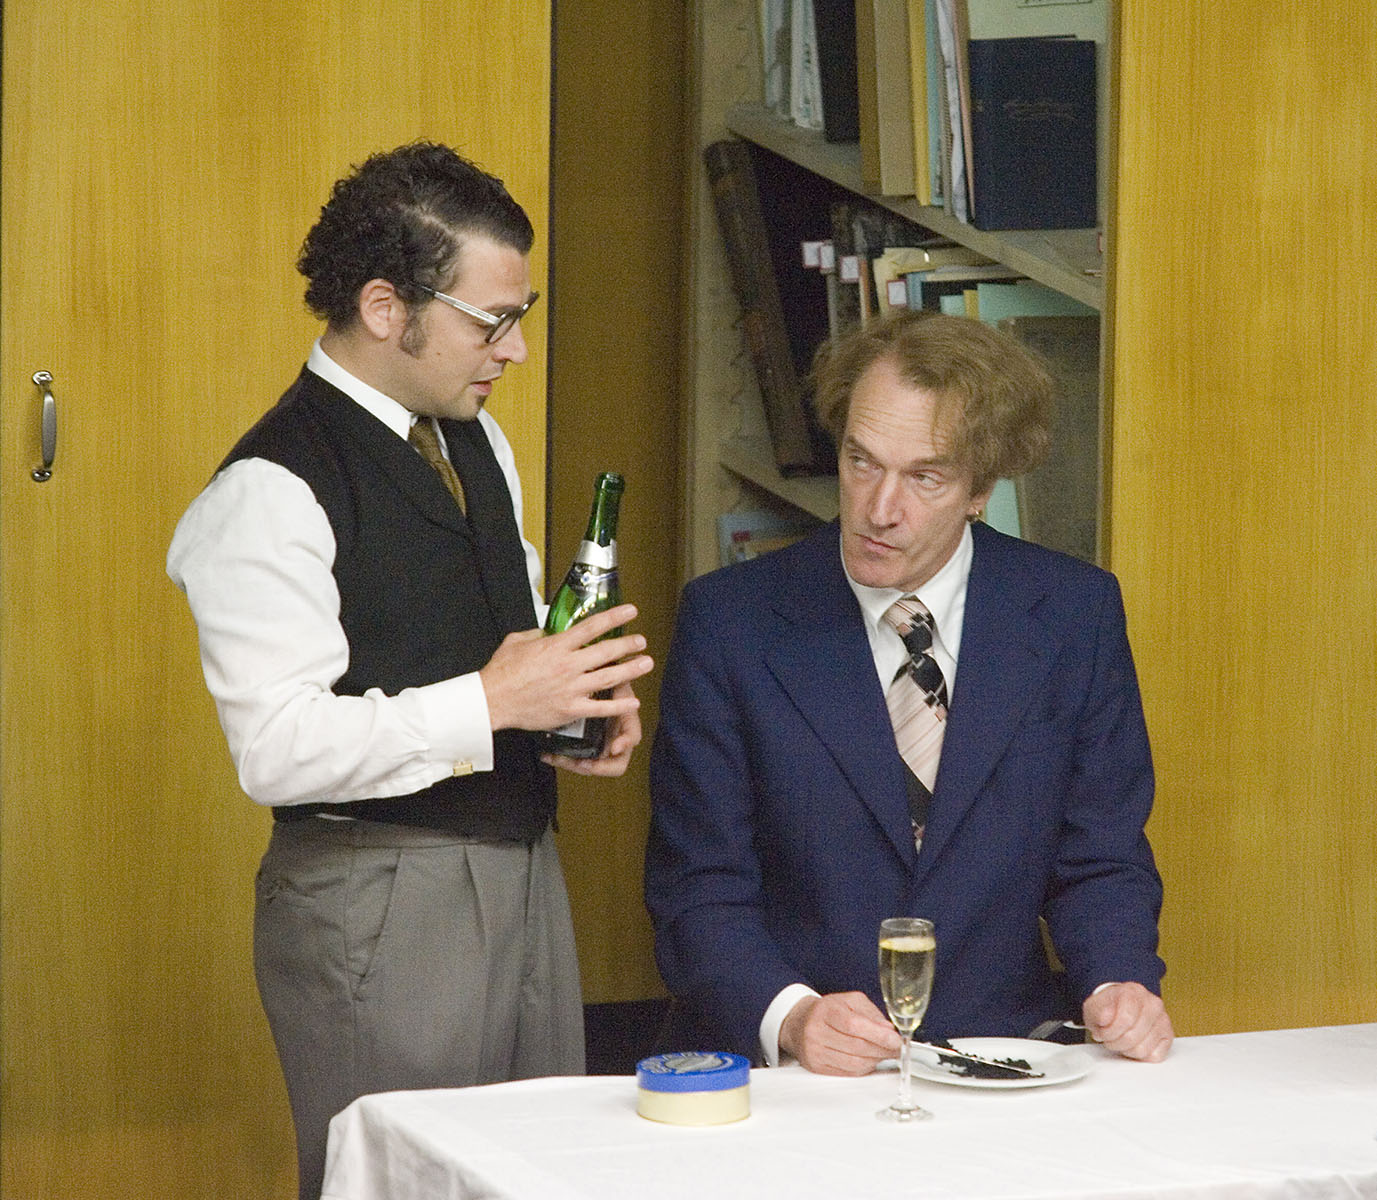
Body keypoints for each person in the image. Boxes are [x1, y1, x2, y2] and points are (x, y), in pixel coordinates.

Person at [168, 142, 653, 1200]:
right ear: (386, 308)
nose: (514, 350)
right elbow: (276, 749)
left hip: (523, 868)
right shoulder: (268, 490)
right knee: (400, 1184)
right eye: (492, 322)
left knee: (537, 1173)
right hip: (375, 899)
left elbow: (494, 638)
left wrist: (560, 709)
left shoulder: (480, 441)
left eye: (520, 316)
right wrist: (493, 702)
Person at [644, 310, 1173, 1077]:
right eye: (861, 462)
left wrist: (1116, 980)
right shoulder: (730, 623)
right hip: (794, 1074)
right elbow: (696, 886)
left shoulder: (1072, 614)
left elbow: (1100, 857)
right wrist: (791, 1016)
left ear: (980, 489)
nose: (878, 508)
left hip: (1000, 1056)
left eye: (924, 477)